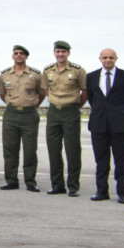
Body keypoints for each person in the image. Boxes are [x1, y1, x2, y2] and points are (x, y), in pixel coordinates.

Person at [87, 49, 124, 204]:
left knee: (121, 161)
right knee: (101, 160)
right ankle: (101, 191)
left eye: (111, 57)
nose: (108, 60)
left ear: (116, 59)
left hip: (120, 126)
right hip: (98, 125)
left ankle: (122, 193)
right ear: (100, 59)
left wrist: (123, 115)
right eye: (105, 57)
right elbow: (92, 99)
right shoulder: (91, 77)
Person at [0, 45, 45, 192]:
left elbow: (42, 93)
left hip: (29, 115)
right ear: (13, 56)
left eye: (21, 53)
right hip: (11, 114)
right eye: (16, 53)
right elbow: (2, 93)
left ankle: (30, 181)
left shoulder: (36, 74)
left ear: (26, 57)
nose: (18, 55)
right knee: (10, 150)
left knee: (30, 150)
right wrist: (13, 104)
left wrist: (32, 105)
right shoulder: (5, 74)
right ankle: (11, 181)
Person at [42, 41, 87, 196]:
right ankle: (57, 185)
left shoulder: (78, 70)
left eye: (63, 52)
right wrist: (56, 100)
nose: (60, 54)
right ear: (54, 53)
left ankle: (73, 186)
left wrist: (74, 106)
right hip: (54, 113)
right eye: (58, 51)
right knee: (53, 150)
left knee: (72, 150)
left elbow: (84, 92)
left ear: (68, 53)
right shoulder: (48, 70)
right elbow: (46, 90)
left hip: (70, 112)